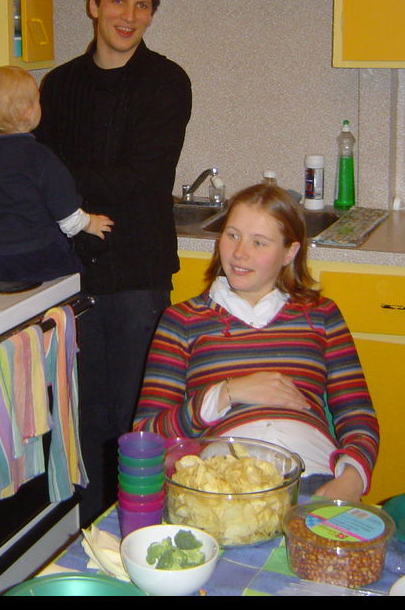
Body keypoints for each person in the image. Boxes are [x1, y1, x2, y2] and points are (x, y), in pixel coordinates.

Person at [34, 0, 192, 524]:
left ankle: (136, 533)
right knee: (75, 416)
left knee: (134, 421)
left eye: (143, 4)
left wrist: (55, 178)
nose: (130, 14)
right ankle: (84, 544)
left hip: (135, 277)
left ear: (152, 14)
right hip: (67, 274)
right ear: (93, 4)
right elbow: (37, 170)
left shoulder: (166, 82)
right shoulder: (57, 85)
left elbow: (139, 179)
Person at [132, 184, 379, 502]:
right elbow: (147, 435)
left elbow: (357, 414)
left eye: (259, 242)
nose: (239, 253)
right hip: (221, 487)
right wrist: (229, 392)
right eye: (232, 235)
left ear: (289, 252)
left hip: (311, 478)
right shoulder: (183, 321)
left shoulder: (321, 315)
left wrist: (353, 478)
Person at [0, 64, 113, 282]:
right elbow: (66, 212)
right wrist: (90, 223)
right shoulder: (39, 156)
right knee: (72, 283)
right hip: (34, 255)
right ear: (29, 112)